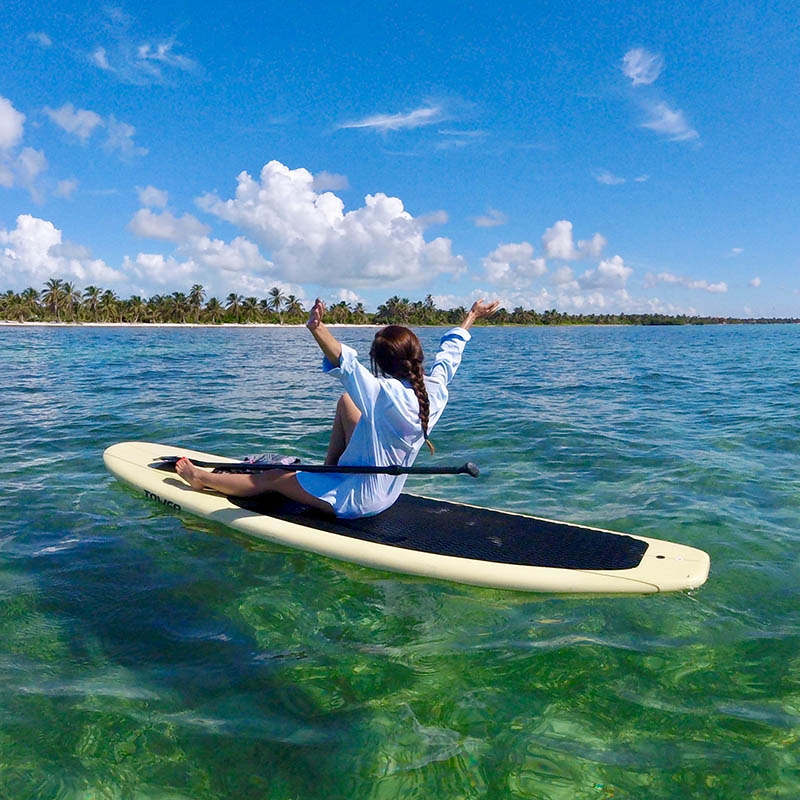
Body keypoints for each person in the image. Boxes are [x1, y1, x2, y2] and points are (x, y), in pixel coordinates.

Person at [175, 297, 499, 518]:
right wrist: (471, 317)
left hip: (357, 501)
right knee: (347, 403)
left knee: (273, 477)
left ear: (381, 363)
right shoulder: (435, 389)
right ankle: (329, 470)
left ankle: (201, 479)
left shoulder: (381, 392)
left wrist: (317, 328)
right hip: (387, 494)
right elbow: (450, 353)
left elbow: (345, 362)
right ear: (417, 357)